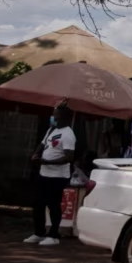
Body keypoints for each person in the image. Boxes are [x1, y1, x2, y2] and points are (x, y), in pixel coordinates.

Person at [25, 103, 77, 246]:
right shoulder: (51, 130)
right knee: (38, 204)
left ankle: (53, 235)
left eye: (56, 115)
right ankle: (39, 232)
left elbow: (69, 157)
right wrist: (36, 154)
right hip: (44, 174)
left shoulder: (68, 134)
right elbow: (42, 144)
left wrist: (47, 161)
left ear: (64, 118)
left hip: (58, 177)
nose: (53, 117)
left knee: (53, 205)